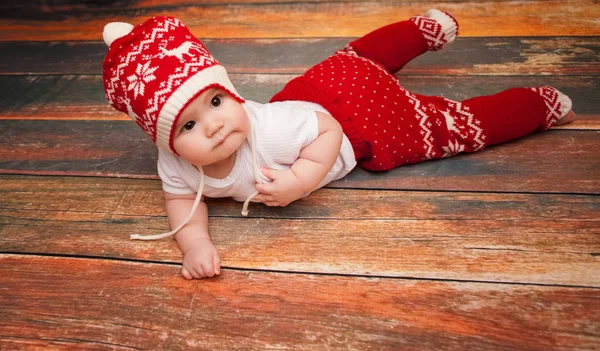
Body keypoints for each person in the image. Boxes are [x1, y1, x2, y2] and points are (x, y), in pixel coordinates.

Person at [102, 11, 575, 280]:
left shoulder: (272, 131)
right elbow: (180, 198)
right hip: (315, 90)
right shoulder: (176, 165)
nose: (213, 127)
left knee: (452, 125)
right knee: (357, 57)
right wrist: (195, 243)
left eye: (217, 101)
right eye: (187, 126)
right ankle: (423, 29)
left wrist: (300, 181)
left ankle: (541, 105)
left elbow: (326, 130)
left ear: (229, 89)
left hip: (359, 123)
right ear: (165, 140)